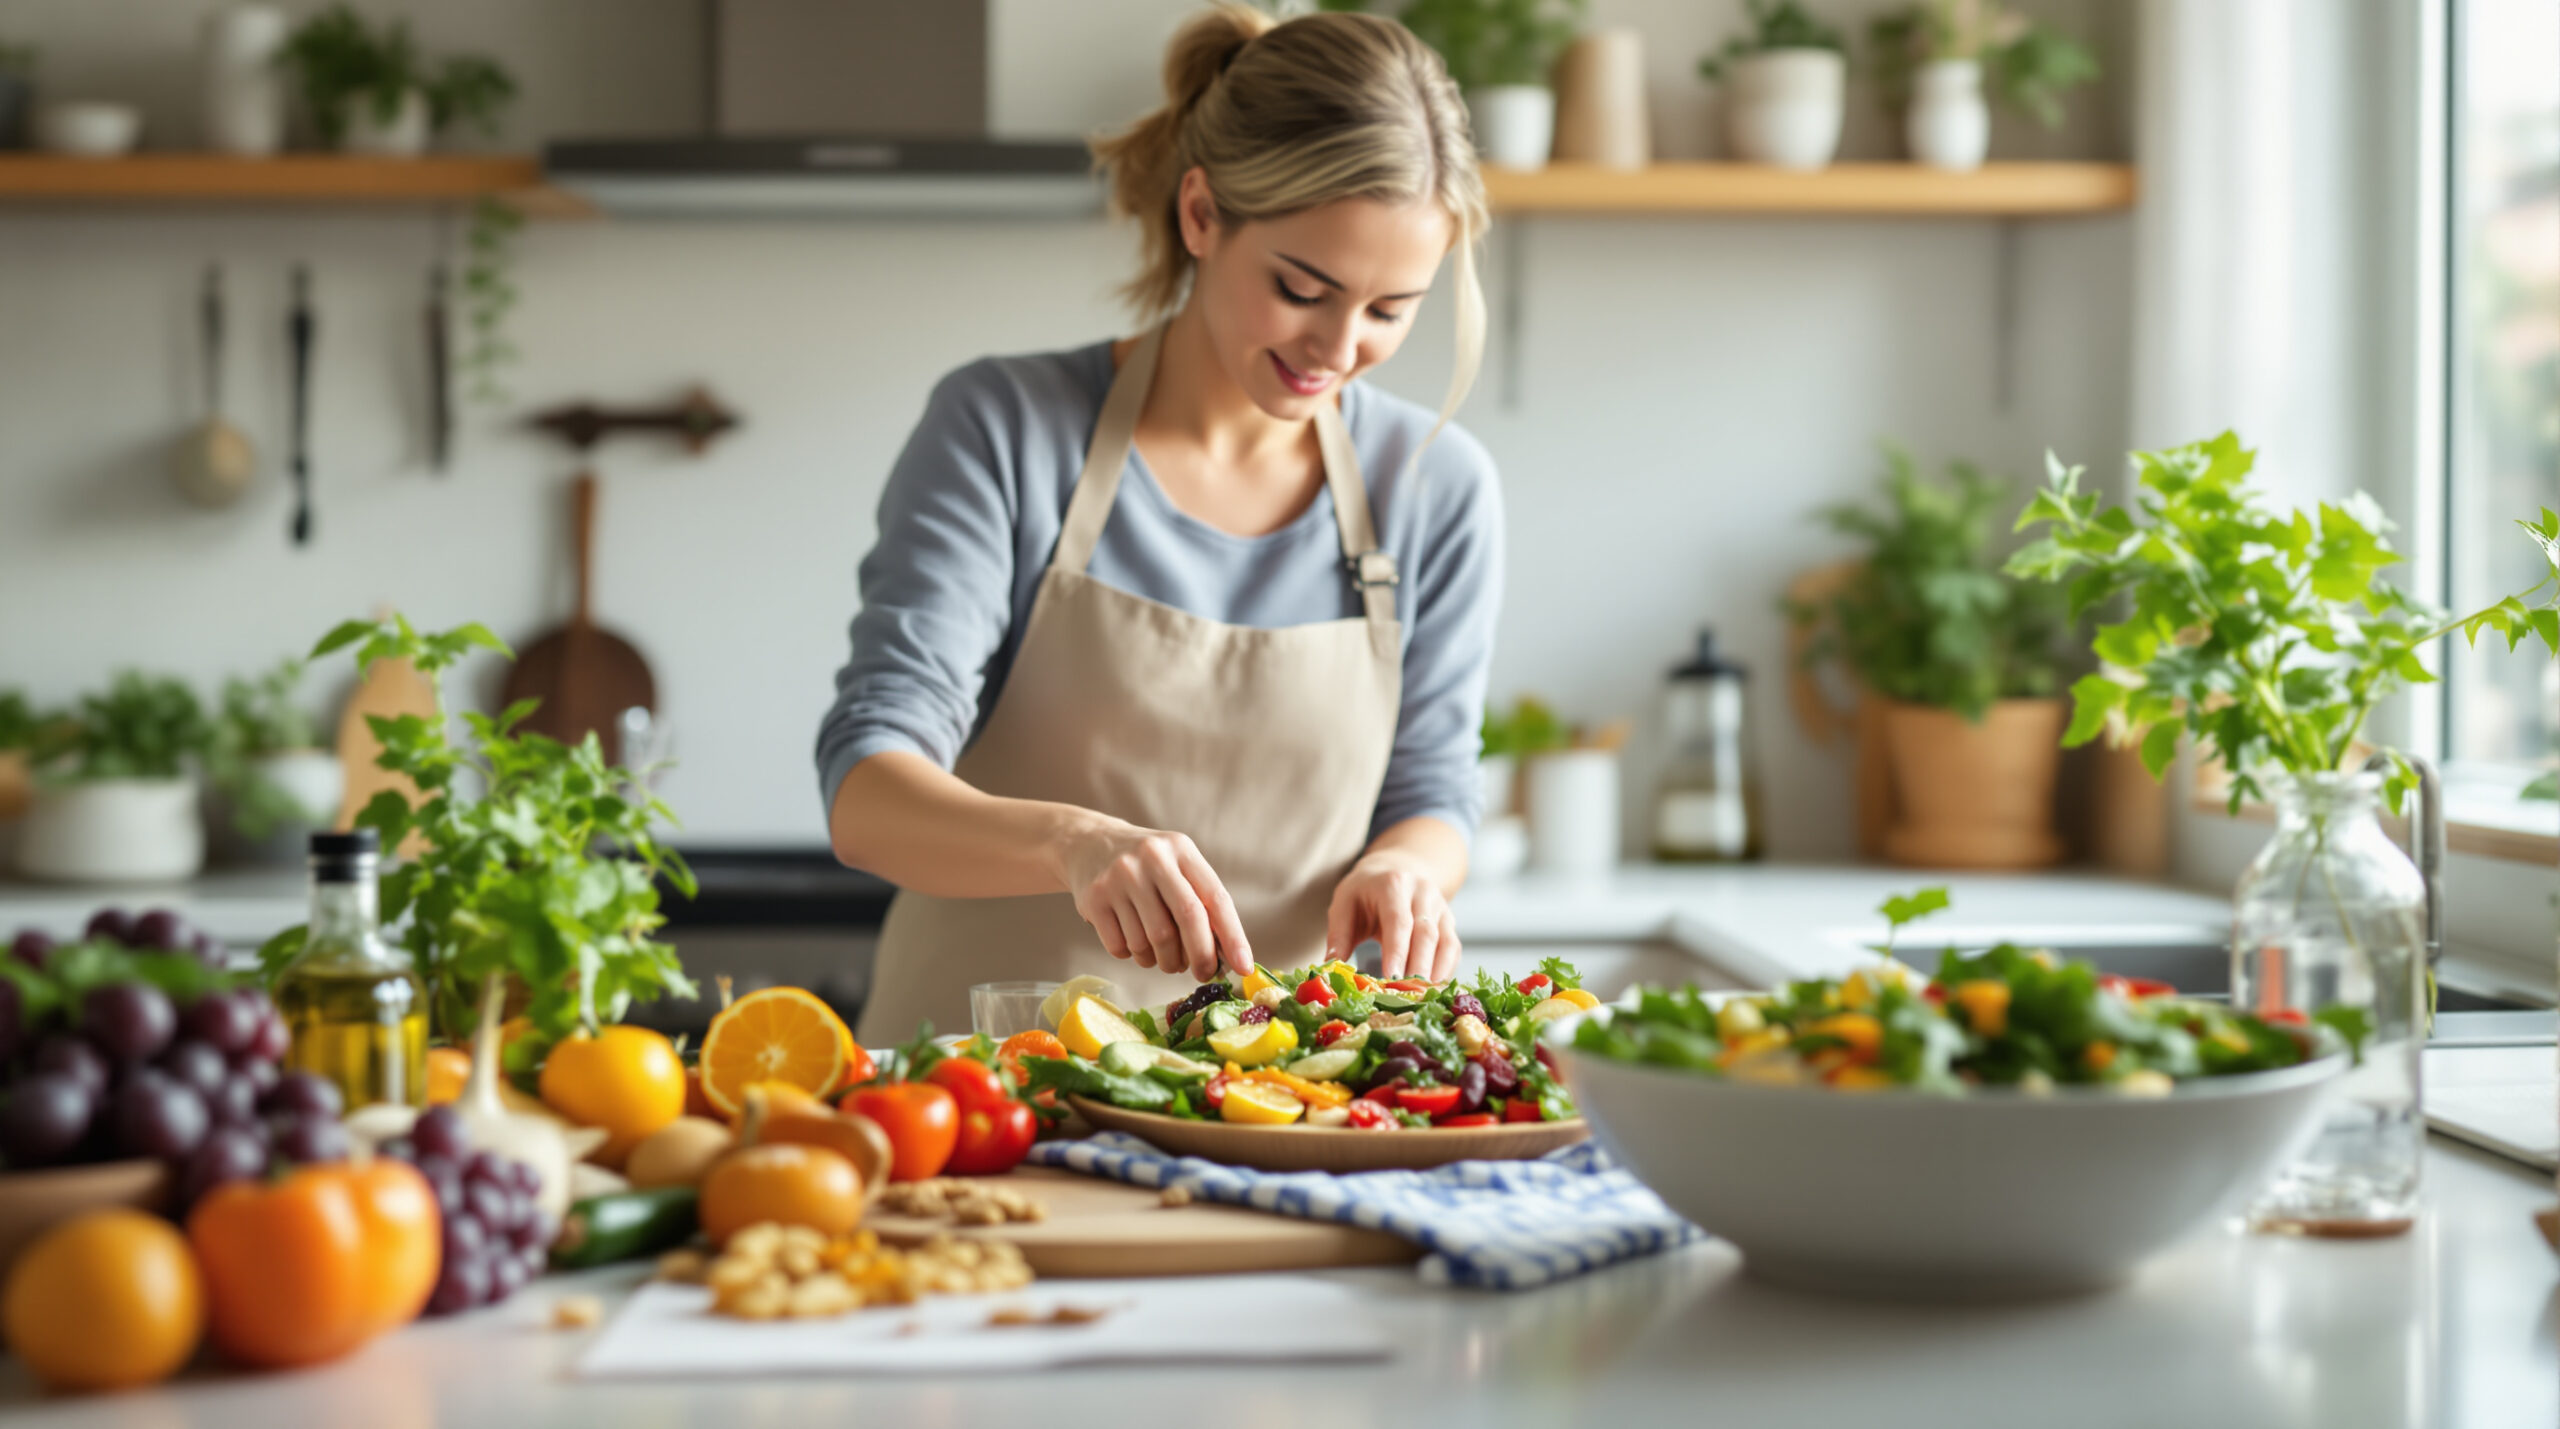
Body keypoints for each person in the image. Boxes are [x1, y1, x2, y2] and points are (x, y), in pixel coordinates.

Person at [817, 4, 1503, 1044]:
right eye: (1302, 287)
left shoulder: (1433, 486)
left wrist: (1404, 865)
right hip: (983, 1090)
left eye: (1389, 309)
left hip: (1264, 1098)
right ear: (1200, 215)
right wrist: (1073, 844)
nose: (1337, 345)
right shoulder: (1006, 430)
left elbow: (1434, 793)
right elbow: (868, 792)